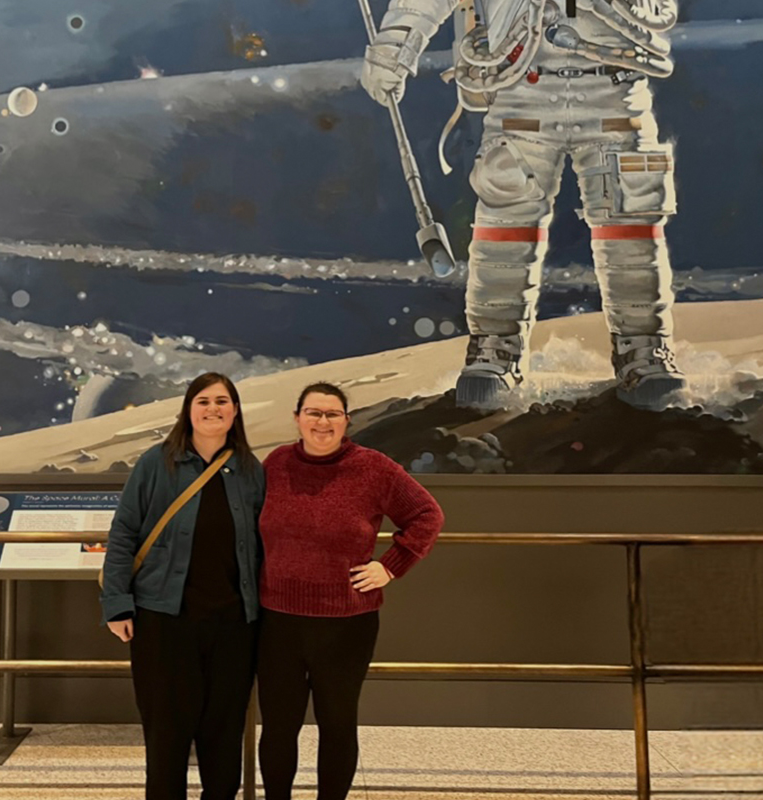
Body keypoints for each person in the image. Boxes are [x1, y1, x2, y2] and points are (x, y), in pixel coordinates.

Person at [361, 0, 687, 408]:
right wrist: (394, 47)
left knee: (629, 219)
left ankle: (643, 346)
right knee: (506, 220)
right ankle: (495, 347)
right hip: (521, 89)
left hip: (615, 89)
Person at [256, 382, 445, 800]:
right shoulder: (275, 464)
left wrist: (390, 567)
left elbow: (427, 515)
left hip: (346, 624)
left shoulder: (374, 468)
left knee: (337, 723)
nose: (322, 422)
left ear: (346, 421)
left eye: (331, 414)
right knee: (278, 725)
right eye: (313, 413)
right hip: (277, 621)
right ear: (297, 417)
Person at [100, 372, 265, 800]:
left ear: (235, 411)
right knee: (167, 735)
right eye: (204, 401)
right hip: (163, 621)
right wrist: (117, 604)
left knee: (224, 734)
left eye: (223, 401)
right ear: (188, 409)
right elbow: (123, 534)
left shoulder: (250, 470)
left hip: (233, 624)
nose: (214, 409)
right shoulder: (156, 463)